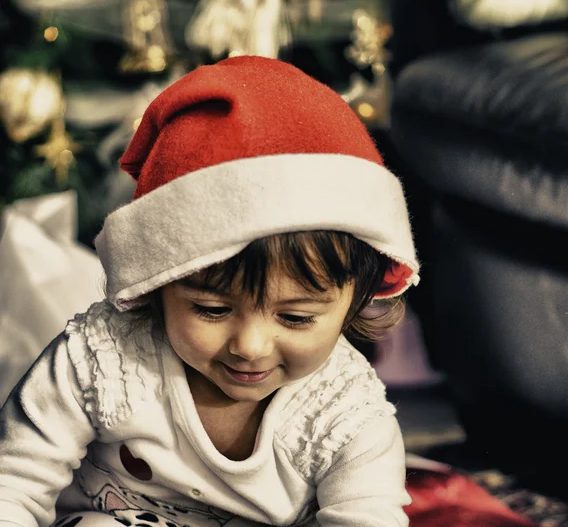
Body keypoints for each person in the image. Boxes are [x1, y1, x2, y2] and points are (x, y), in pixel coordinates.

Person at [0, 56, 419, 527]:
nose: (250, 347)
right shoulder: (101, 359)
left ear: (354, 302)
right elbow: (14, 483)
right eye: (212, 309)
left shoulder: (347, 417)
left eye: (296, 318)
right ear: (156, 284)